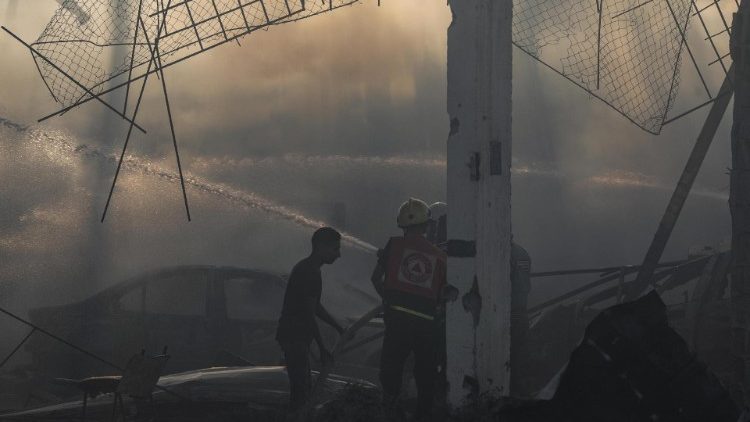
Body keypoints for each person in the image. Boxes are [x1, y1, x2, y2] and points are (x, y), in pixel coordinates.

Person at [371, 198, 448, 421]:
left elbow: (375, 278)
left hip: (397, 323)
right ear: (427, 226)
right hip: (427, 325)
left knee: (390, 372)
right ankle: (423, 416)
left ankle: (394, 414)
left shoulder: (393, 246)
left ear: (401, 224)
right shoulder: (440, 257)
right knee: (426, 376)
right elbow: (443, 294)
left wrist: (388, 300)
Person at [275, 227, 345, 412]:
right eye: (335, 249)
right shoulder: (310, 272)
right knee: (301, 393)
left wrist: (338, 327)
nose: (338, 255)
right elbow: (309, 313)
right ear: (321, 247)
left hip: (294, 336)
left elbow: (315, 307)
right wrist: (322, 348)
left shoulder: (308, 268)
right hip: (294, 337)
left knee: (303, 388)